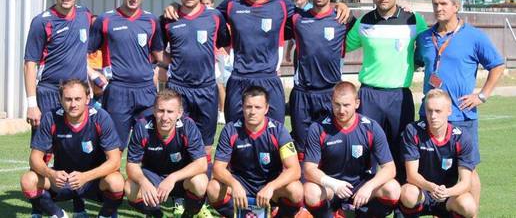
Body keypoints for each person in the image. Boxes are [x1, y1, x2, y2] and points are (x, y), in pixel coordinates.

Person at [164, 0, 350, 124]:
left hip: (269, 78)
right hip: (239, 79)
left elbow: (314, 15)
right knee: (234, 134)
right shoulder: (231, 5)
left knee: (275, 135)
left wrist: (338, 5)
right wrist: (175, 6)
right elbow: (201, 13)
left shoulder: (282, 5)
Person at [415, 0, 504, 207]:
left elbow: (498, 65)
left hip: (462, 117)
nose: (438, 8)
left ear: (456, 6)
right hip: (430, 116)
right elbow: (416, 63)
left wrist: (482, 96)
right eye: (435, 4)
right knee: (427, 167)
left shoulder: (474, 36)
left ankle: (469, 212)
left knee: (468, 170)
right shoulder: (425, 38)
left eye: (444, 4)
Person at [24, 0, 93, 217]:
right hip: (49, 93)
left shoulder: (86, 16)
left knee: (76, 151)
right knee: (42, 153)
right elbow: (30, 62)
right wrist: (32, 102)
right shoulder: (42, 22)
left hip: (77, 95)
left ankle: (78, 203)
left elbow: (86, 54)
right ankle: (39, 206)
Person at [345, 0, 427, 178]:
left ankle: (402, 206)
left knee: (402, 148)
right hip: (369, 95)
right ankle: (366, 204)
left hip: (400, 96)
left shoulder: (414, 19)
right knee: (366, 149)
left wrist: (417, 61)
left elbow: (428, 46)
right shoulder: (364, 21)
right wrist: (342, 11)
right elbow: (342, 45)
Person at [19, 79, 124, 218]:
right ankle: (57, 214)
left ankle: (104, 215)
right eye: (68, 99)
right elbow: (34, 159)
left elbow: (115, 161)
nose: (73, 104)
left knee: (116, 182)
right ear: (60, 100)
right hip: (62, 181)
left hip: (93, 182)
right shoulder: (51, 118)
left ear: (87, 98)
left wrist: (85, 177)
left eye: (78, 99)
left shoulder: (100, 117)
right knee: (28, 180)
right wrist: (51, 174)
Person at [88, 0, 164, 147]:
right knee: (114, 147)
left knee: (151, 145)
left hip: (146, 92)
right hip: (117, 91)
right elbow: (82, 54)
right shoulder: (106, 20)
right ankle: (108, 176)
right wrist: (93, 75)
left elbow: (158, 56)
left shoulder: (152, 21)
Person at [160, 0, 230, 162]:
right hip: (178, 89)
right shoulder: (168, 19)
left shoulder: (215, 17)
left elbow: (225, 42)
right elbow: (157, 52)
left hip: (206, 89)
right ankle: (177, 187)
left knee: (206, 144)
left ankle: (201, 186)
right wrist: (175, 62)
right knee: (177, 140)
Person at [303, 81, 400, 217]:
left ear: (357, 103)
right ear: (331, 102)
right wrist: (334, 184)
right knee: (310, 191)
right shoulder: (318, 128)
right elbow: (308, 169)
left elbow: (390, 168)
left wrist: (369, 186)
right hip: (332, 188)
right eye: (337, 105)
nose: (341, 110)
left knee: (393, 188)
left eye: (346, 105)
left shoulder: (371, 127)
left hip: (361, 188)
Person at [286, 0, 355, 158]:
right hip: (303, 93)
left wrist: (343, 5)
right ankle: (302, 184)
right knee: (302, 147)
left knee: (331, 146)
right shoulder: (297, 18)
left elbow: (374, 21)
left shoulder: (344, 19)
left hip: (330, 94)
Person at [207, 86, 303, 217]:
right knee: (213, 188)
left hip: (270, 188)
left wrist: (271, 186)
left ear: (266, 109)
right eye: (248, 107)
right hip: (241, 186)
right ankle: (239, 215)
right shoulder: (230, 130)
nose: (252, 112)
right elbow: (218, 168)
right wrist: (234, 184)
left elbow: (294, 170)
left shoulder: (278, 131)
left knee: (296, 190)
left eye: (258, 107)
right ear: (242, 107)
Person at [125, 89, 211, 218]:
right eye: (161, 111)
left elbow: (201, 164)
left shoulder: (188, 126)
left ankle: (188, 214)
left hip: (181, 179)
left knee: (200, 182)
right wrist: (143, 182)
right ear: (154, 111)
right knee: (129, 187)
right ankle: (156, 214)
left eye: (170, 112)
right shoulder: (142, 127)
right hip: (153, 177)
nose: (165, 117)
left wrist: (172, 178)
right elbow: (131, 165)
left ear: (179, 113)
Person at [399, 89, 478, 217]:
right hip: (422, 192)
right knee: (408, 193)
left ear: (449, 111)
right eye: (429, 111)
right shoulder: (413, 131)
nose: (433, 116)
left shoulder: (461, 137)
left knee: (468, 205)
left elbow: (466, 182)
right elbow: (411, 176)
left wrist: (447, 192)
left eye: (438, 111)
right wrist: (432, 188)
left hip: (448, 196)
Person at [200, 0, 232, 124]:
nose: (206, 6)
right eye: (204, 4)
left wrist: (227, 55)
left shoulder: (218, 17)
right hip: (209, 59)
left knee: (222, 85)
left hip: (221, 57)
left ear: (212, 4)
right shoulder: (201, 20)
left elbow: (228, 39)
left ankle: (222, 113)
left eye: (208, 3)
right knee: (215, 85)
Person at [284, 0, 313, 64]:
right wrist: (288, 52)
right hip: (299, 50)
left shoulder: (311, 11)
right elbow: (294, 33)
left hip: (310, 51)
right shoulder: (294, 12)